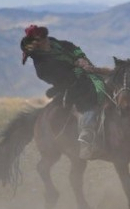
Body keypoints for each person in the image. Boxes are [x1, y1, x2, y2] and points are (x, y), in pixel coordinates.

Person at [20, 25, 106, 160]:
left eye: (44, 37)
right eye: (41, 39)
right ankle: (86, 140)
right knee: (89, 104)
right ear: (35, 44)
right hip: (71, 88)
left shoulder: (56, 44)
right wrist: (79, 69)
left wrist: (81, 58)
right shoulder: (42, 67)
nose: (45, 40)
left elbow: (73, 47)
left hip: (88, 75)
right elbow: (64, 79)